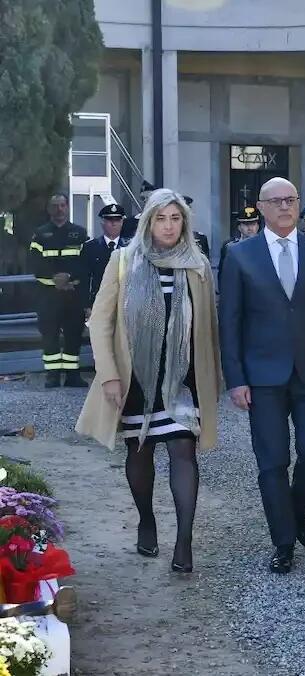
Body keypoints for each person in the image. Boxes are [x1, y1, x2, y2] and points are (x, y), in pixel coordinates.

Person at [75, 189, 221, 573]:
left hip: (183, 377)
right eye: (161, 218)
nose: (169, 226)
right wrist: (109, 375)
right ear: (148, 222)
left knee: (183, 451)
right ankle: (147, 519)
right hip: (136, 377)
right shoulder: (124, 261)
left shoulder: (197, 265)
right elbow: (101, 322)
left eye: (175, 218)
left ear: (184, 222)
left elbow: (208, 326)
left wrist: (213, 379)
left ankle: (184, 543)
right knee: (139, 453)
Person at [219, 177, 305, 574]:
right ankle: (284, 541)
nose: (285, 206)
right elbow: (230, 322)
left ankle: (298, 510)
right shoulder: (239, 255)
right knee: (272, 461)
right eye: (275, 201)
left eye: (290, 199)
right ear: (260, 207)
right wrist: (235, 379)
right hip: (262, 377)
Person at [29, 193, 89, 388]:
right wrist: (54, 279)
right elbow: (34, 263)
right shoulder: (40, 234)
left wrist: (69, 277)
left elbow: (86, 262)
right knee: (49, 335)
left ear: (67, 207)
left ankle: (72, 375)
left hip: (73, 294)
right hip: (48, 295)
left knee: (74, 334)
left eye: (62, 205)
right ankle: (52, 375)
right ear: (49, 209)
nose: (59, 209)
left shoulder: (80, 233)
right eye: (55, 206)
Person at [82, 202, 130, 309]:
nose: (113, 224)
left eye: (117, 220)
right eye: (109, 220)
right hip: (99, 302)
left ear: (122, 222)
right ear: (102, 222)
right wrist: (87, 306)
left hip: (125, 303)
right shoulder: (90, 247)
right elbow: (84, 280)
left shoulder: (131, 248)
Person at [219, 206, 261, 277]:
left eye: (253, 224)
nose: (250, 228)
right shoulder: (229, 247)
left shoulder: (265, 245)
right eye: (246, 225)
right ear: (239, 227)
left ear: (258, 226)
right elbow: (223, 274)